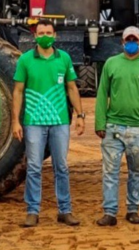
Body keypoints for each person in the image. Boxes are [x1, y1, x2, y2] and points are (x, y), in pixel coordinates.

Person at [12, 20, 85, 227]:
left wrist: (80, 115)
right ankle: (32, 211)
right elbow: (17, 91)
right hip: (33, 122)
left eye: (48, 32)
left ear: (55, 36)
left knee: (61, 166)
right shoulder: (25, 60)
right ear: (35, 36)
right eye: (41, 32)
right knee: (34, 167)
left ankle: (65, 210)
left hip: (60, 122)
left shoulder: (64, 58)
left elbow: (72, 88)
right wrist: (15, 121)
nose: (45, 35)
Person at [95, 26, 139, 226]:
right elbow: (102, 93)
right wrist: (100, 122)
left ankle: (133, 210)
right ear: (122, 42)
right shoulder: (111, 63)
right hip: (113, 127)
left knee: (136, 172)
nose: (131, 42)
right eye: (128, 39)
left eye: (135, 39)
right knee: (110, 171)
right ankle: (110, 212)